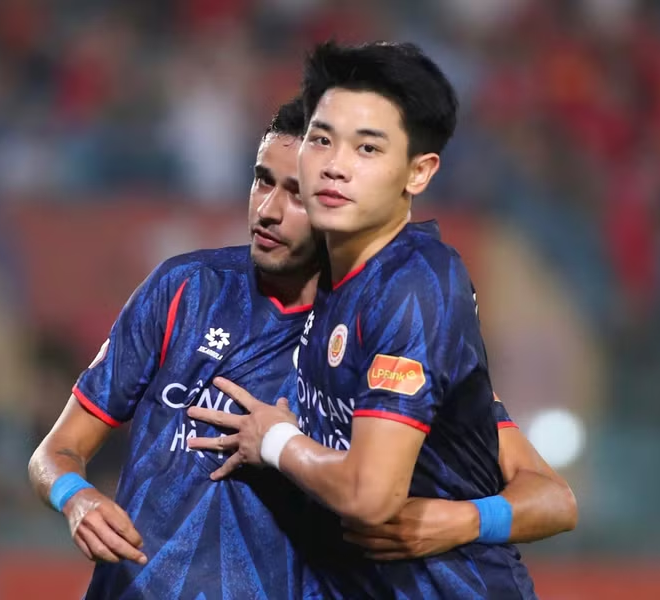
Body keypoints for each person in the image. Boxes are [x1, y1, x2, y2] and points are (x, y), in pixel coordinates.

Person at [29, 96, 574, 600]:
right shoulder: (184, 290)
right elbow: (53, 454)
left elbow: (551, 498)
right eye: (261, 180)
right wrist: (75, 496)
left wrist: (459, 521)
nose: (267, 210)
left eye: (296, 194)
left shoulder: (384, 334)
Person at [187, 41, 563, 598]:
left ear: (418, 173)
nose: (334, 166)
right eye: (321, 139)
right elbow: (551, 495)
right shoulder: (334, 283)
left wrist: (276, 440)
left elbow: (370, 497)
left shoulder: (415, 287)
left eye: (367, 148)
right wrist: (470, 517)